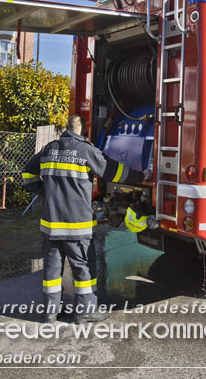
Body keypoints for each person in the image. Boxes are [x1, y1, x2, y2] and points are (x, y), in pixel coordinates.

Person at [22, 115, 148, 323]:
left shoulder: (49, 149)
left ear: (65, 128)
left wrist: (45, 191)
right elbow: (113, 172)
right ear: (84, 130)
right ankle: (86, 312)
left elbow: (27, 173)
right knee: (83, 268)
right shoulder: (86, 150)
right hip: (76, 226)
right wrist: (141, 176)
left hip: (50, 226)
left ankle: (50, 313)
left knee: (52, 270)